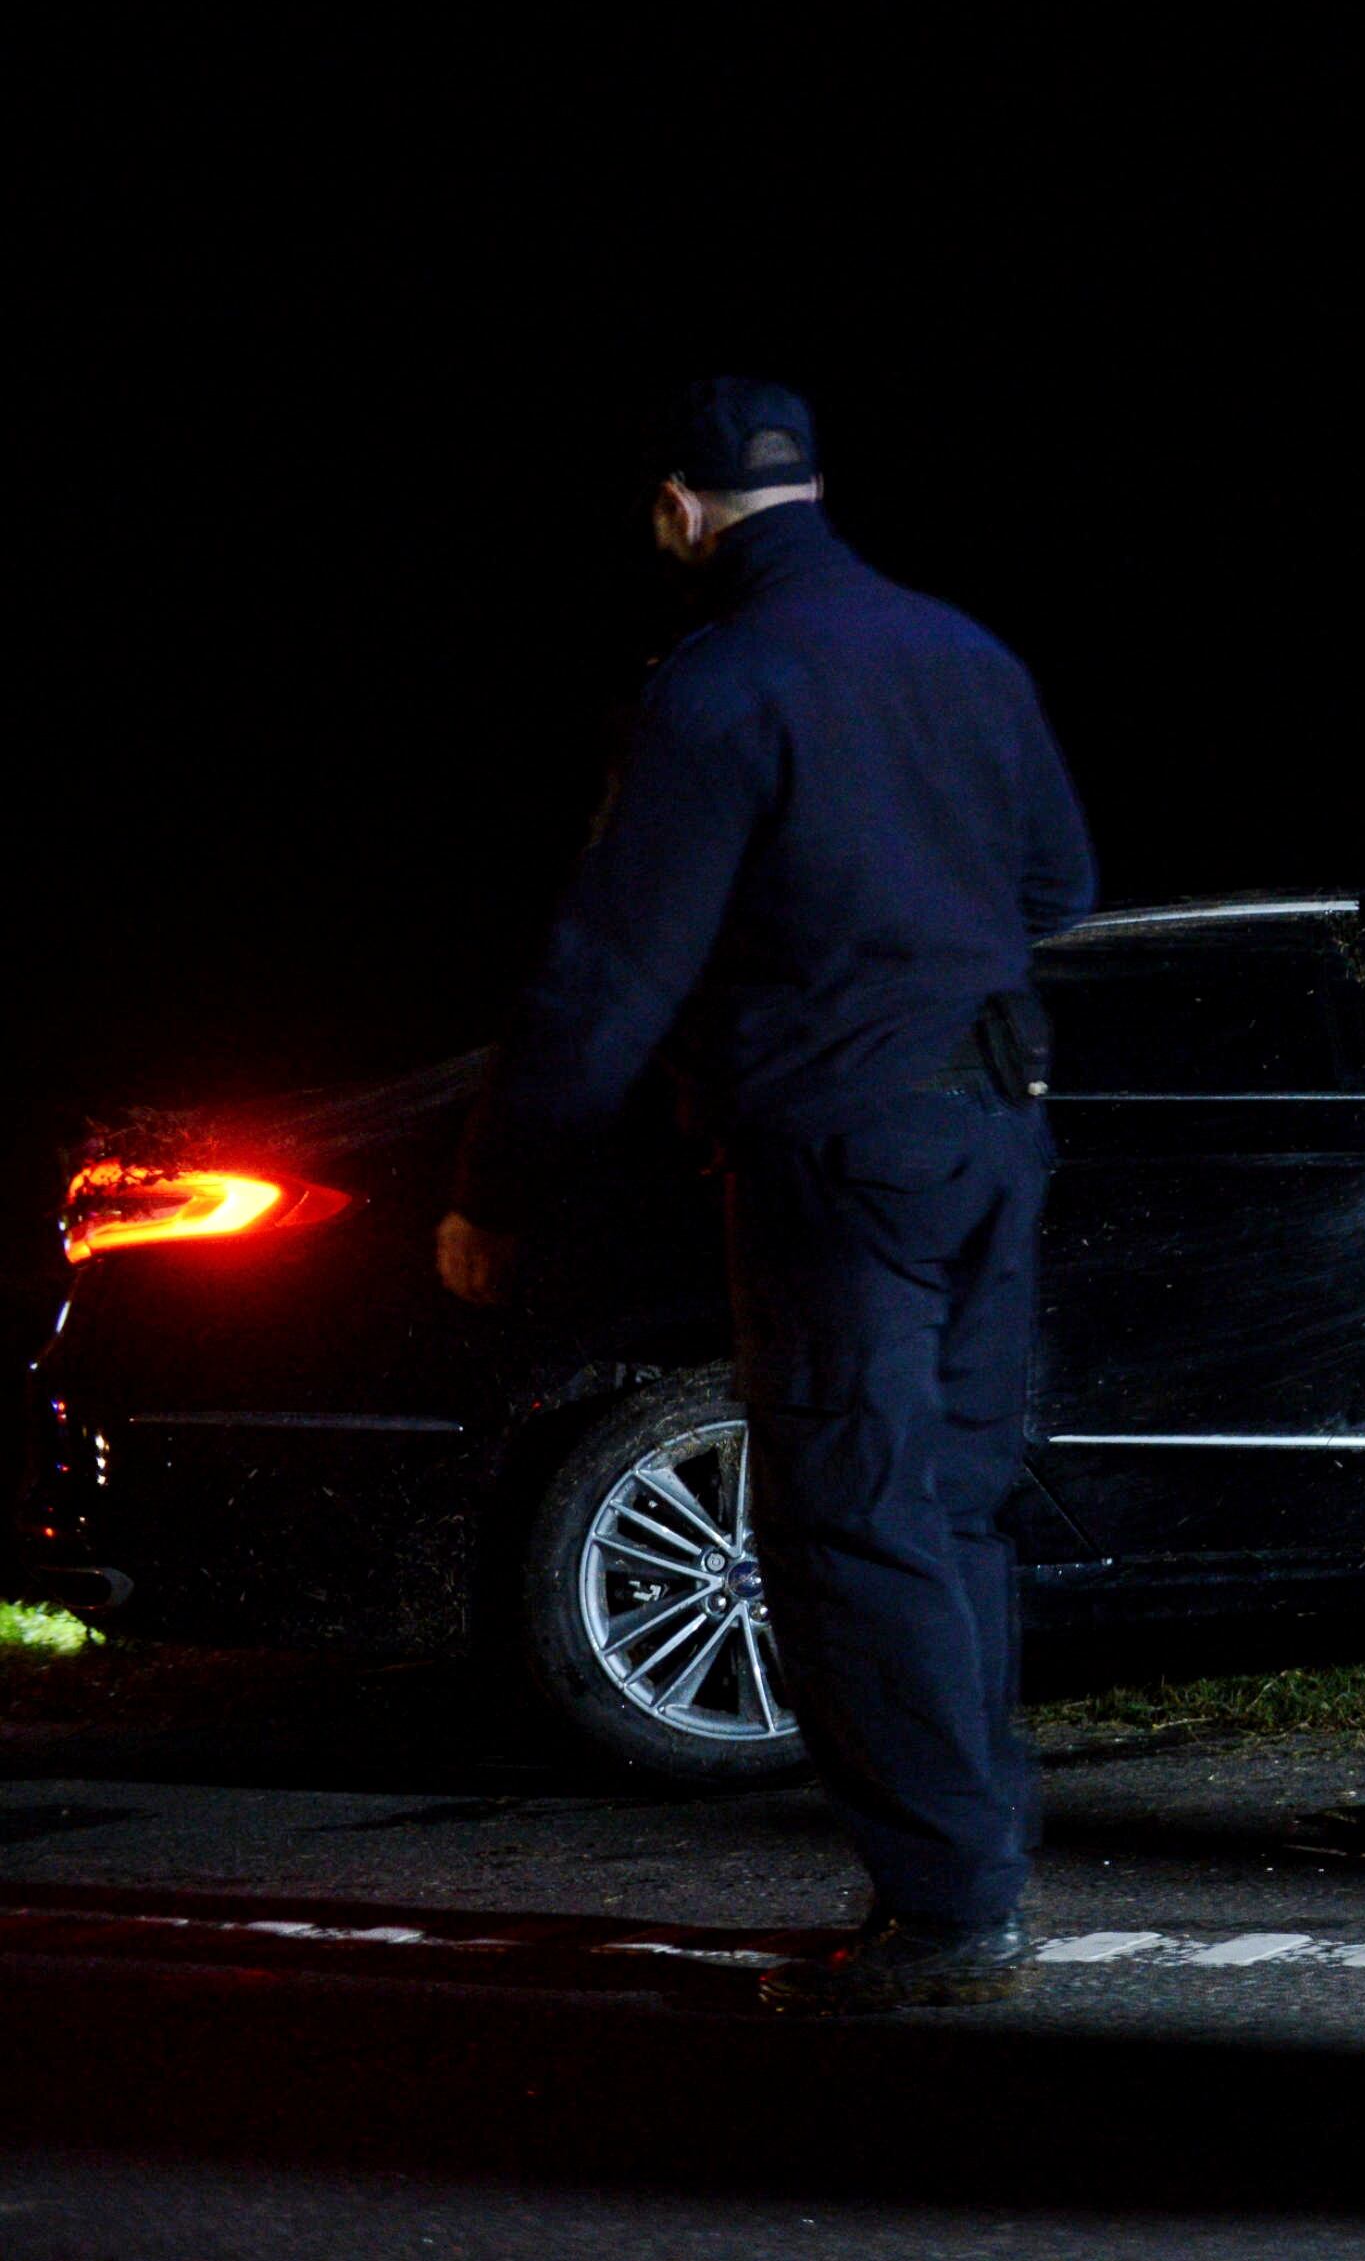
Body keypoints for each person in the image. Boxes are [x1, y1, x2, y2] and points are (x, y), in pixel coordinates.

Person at [436, 377, 1096, 2016]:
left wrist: (495, 1189)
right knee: (947, 1510)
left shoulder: (716, 688)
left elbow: (609, 971)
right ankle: (978, 1869)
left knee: (851, 1518)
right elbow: (1060, 886)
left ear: (677, 508)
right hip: (992, 1136)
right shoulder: (966, 654)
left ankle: (947, 1917)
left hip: (836, 1151)